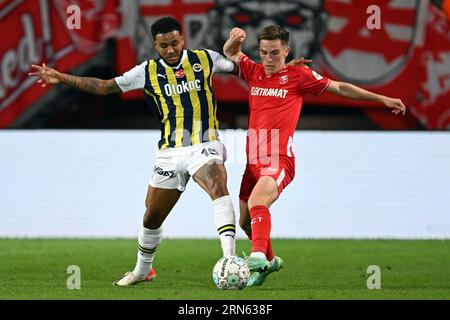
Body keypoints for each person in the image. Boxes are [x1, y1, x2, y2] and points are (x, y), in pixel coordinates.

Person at [29, 17, 240, 286]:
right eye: (164, 46)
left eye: (175, 43)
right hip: (169, 153)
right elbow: (105, 87)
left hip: (205, 144)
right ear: (155, 44)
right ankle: (143, 271)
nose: (171, 50)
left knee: (217, 183)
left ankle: (229, 259)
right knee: (151, 217)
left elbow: (245, 70)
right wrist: (62, 77)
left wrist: (280, 69)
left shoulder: (205, 59)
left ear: (183, 39)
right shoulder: (147, 71)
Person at [223, 25, 406, 287]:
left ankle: (256, 256)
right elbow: (230, 52)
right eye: (264, 53)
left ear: (286, 51)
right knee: (245, 223)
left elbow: (340, 88)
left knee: (257, 203)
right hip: (253, 161)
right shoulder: (254, 72)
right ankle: (270, 262)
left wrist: (382, 99)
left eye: (275, 53)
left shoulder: (300, 75)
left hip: (279, 158)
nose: (269, 59)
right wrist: (234, 39)